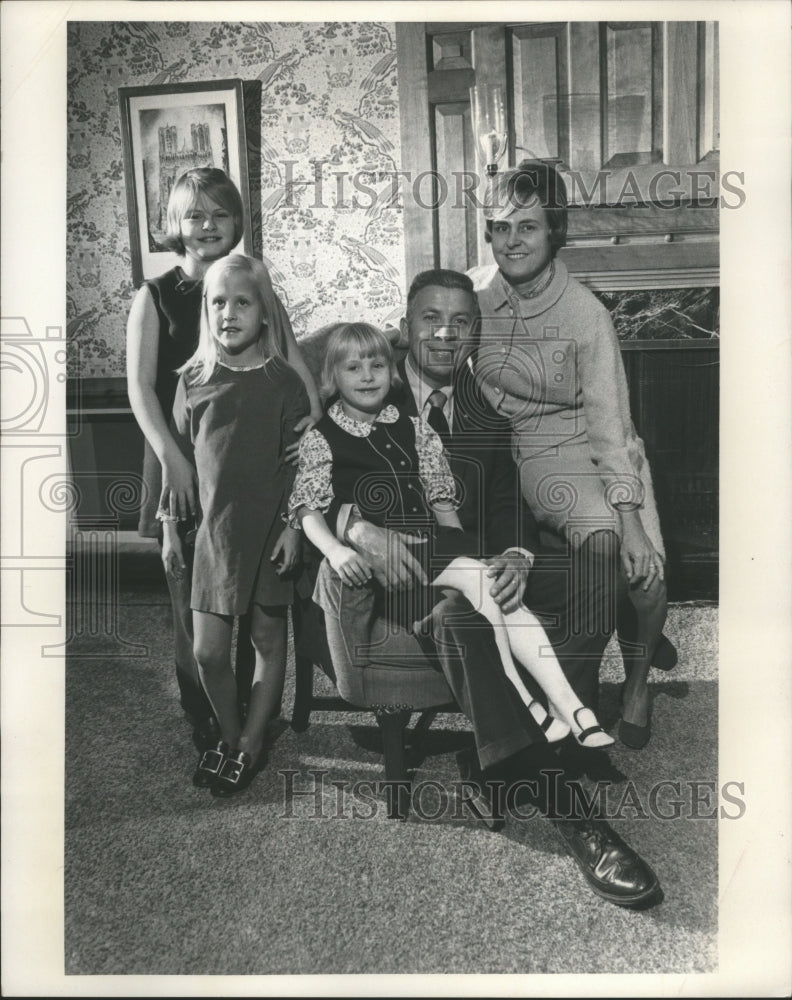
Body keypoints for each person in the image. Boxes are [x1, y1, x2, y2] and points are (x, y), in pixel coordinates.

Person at [309, 271, 662, 908]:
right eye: (429, 319)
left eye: (461, 322)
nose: (445, 334)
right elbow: (303, 471)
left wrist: (517, 556)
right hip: (408, 579)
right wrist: (352, 526)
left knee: (593, 571)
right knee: (460, 620)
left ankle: (539, 728)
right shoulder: (359, 384)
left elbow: (504, 510)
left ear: (476, 331)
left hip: (468, 561)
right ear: (405, 326)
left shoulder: (488, 419)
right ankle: (569, 805)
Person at [290, 323, 614, 749]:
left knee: (497, 589)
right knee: (484, 585)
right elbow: (307, 508)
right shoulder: (322, 438)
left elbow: (443, 504)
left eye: (377, 365)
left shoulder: (414, 428)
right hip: (387, 567)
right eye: (353, 368)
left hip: (432, 546)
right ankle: (534, 707)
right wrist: (335, 551)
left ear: (392, 372)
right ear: (332, 377)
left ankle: (570, 709)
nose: (367, 376)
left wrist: (461, 549)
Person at [471, 159, 674, 749]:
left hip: (599, 446)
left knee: (647, 571)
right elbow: (409, 330)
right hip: (536, 455)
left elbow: (611, 429)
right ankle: (580, 687)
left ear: (553, 230)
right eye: (501, 226)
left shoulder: (586, 313)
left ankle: (637, 682)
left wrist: (632, 521)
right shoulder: (474, 294)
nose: (513, 240)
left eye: (527, 227)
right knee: (608, 546)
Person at [126, 167, 321, 749]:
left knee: (247, 587)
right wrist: (172, 462)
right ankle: (206, 716)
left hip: (246, 460)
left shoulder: (254, 285)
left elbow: (294, 371)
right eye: (194, 215)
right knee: (192, 591)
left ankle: (245, 708)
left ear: (236, 220)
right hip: (179, 449)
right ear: (175, 226)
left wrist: (309, 417)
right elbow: (140, 387)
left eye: (219, 214)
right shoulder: (155, 294)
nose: (207, 225)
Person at [162, 254, 310, 796]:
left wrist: (295, 526)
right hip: (214, 537)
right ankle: (229, 732)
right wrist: (168, 527)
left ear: (265, 313)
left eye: (242, 301)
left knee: (270, 641)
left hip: (272, 531)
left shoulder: (284, 383)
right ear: (206, 310)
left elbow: (301, 463)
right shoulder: (193, 380)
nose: (229, 312)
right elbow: (175, 459)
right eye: (218, 301)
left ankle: (249, 744)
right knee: (208, 651)